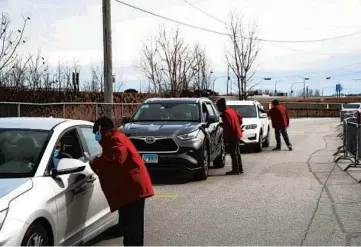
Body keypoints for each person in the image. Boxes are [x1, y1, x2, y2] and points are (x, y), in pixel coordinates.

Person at [90, 116, 155, 246]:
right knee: (128, 226)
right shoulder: (112, 140)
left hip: (132, 190)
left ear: (102, 131)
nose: (97, 138)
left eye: (97, 134)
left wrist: (95, 162)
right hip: (128, 190)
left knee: (133, 229)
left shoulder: (116, 139)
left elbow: (115, 159)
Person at [216, 98, 244, 175]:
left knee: (233, 152)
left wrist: (224, 138)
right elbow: (240, 119)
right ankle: (240, 168)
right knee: (237, 152)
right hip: (237, 133)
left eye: (218, 107)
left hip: (232, 135)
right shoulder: (231, 110)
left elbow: (227, 126)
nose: (218, 109)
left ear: (221, 107)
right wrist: (237, 125)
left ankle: (235, 170)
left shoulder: (225, 114)